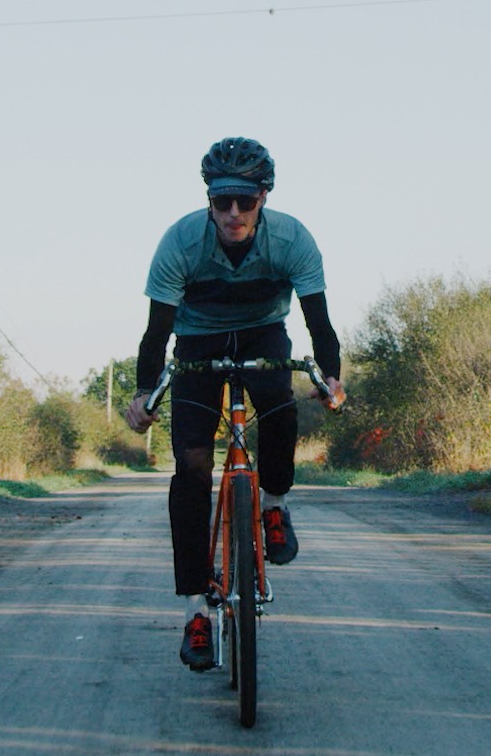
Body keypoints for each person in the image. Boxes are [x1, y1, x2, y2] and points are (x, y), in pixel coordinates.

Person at [123, 136, 346, 672]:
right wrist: (143, 392)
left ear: (263, 198)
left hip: (263, 333)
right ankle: (195, 613)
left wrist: (331, 378)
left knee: (280, 408)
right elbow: (156, 333)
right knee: (191, 470)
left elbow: (319, 321)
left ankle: (273, 505)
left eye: (245, 201)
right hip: (196, 341)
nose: (233, 213)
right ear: (209, 199)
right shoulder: (180, 243)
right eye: (221, 201)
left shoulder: (292, 240)